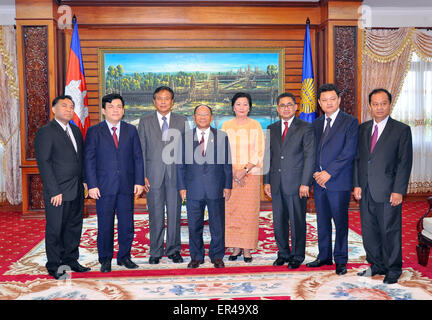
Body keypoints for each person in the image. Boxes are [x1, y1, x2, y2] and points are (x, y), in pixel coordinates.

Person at [353, 88, 413, 284]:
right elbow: (359, 159)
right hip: (366, 190)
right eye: (375, 104)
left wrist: (398, 190)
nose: (379, 107)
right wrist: (357, 184)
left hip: (388, 190)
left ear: (390, 104)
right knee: (369, 229)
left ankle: (393, 268)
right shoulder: (363, 129)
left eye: (383, 103)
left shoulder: (401, 130)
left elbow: (404, 163)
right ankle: (376, 264)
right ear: (370, 106)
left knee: (390, 230)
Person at [84, 93, 144, 273]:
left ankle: (124, 256)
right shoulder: (95, 131)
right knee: (105, 224)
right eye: (111, 106)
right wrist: (92, 185)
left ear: (123, 110)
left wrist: (139, 181)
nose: (115, 110)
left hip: (126, 185)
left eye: (119, 106)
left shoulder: (131, 130)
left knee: (127, 224)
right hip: (103, 187)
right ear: (103, 111)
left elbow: (138, 157)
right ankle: (105, 259)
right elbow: (89, 160)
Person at [34, 95, 90, 279]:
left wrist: (83, 180)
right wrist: (54, 190)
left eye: (71, 106)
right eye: (64, 105)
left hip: (76, 188)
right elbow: (44, 162)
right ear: (54, 109)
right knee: (55, 228)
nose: (68, 109)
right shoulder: (46, 131)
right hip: (58, 191)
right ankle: (54, 265)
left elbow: (79, 159)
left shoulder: (74, 130)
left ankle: (71, 260)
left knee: (74, 226)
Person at [306, 83, 358, 275]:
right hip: (319, 182)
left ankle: (341, 259)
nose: (328, 103)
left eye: (332, 99)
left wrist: (329, 172)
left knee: (340, 221)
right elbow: (312, 152)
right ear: (319, 103)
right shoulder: (316, 123)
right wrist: (316, 174)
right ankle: (324, 255)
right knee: (322, 221)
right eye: (324, 100)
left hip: (338, 181)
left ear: (339, 100)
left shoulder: (350, 122)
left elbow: (349, 152)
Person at [263, 92, 315, 269]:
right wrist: (266, 181)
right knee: (278, 222)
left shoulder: (306, 127)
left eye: (289, 105)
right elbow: (268, 156)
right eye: (282, 105)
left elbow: (310, 157)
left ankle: (297, 255)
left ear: (295, 107)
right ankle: (283, 253)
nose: (285, 108)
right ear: (278, 109)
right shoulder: (272, 128)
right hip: (276, 183)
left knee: (297, 221)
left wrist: (305, 183)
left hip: (297, 184)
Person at [138, 86, 189, 264]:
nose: (163, 101)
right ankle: (155, 251)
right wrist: (141, 175)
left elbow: (187, 152)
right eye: (160, 98)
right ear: (154, 101)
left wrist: (186, 179)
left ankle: (174, 250)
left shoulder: (182, 121)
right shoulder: (145, 122)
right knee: (156, 214)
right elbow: (141, 151)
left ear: (172, 102)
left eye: (167, 98)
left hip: (176, 176)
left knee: (175, 214)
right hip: (152, 176)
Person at [177, 105, 233, 269]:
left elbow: (227, 163)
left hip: (216, 186)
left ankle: (217, 255)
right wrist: (181, 186)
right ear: (194, 118)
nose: (202, 117)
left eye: (206, 114)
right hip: (193, 187)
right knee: (194, 224)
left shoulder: (221, 136)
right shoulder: (185, 137)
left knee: (217, 225)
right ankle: (196, 256)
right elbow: (180, 164)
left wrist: (227, 185)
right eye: (199, 115)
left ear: (211, 117)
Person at [222, 92, 264, 263]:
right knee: (231, 212)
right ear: (233, 107)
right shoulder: (225, 125)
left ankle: (247, 248)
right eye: (238, 104)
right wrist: (233, 170)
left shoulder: (256, 126)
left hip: (250, 176)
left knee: (249, 213)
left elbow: (259, 151)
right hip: (230, 176)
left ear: (249, 107)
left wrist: (244, 169)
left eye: (245, 104)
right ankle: (235, 247)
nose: (241, 107)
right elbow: (222, 150)